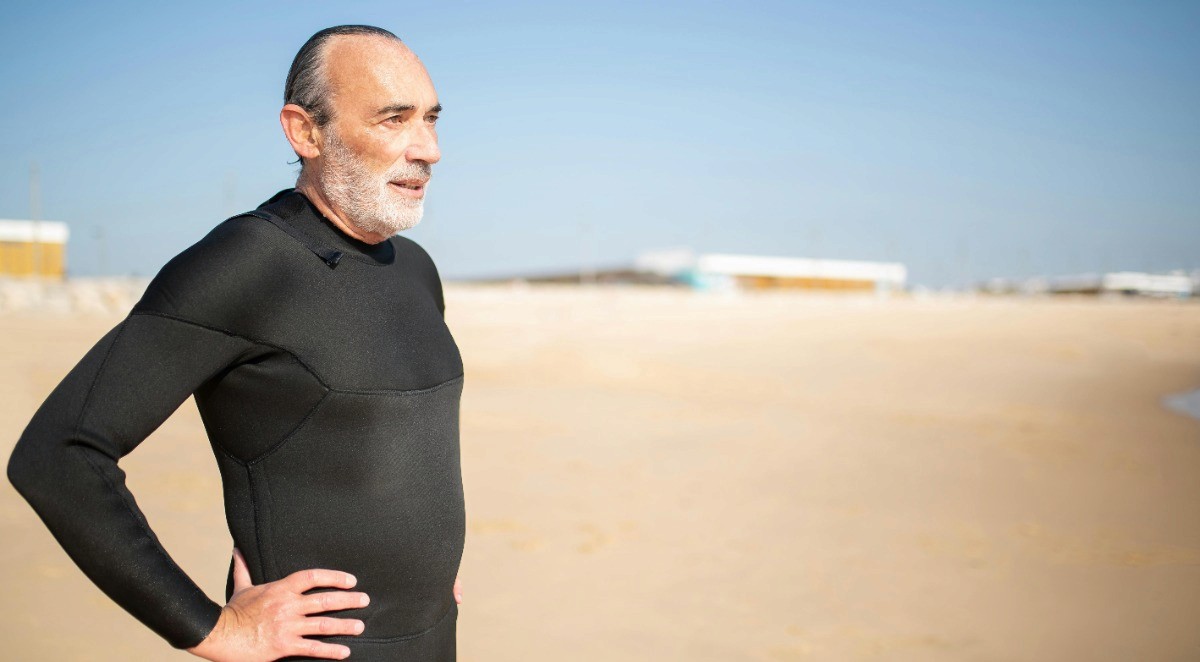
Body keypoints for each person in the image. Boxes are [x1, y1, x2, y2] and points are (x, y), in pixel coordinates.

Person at [7, 25, 465, 662]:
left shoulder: (412, 268)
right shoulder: (248, 263)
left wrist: (421, 567)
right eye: (394, 119)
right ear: (305, 132)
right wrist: (215, 629)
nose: (429, 149)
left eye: (431, 119)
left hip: (434, 639)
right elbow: (57, 454)